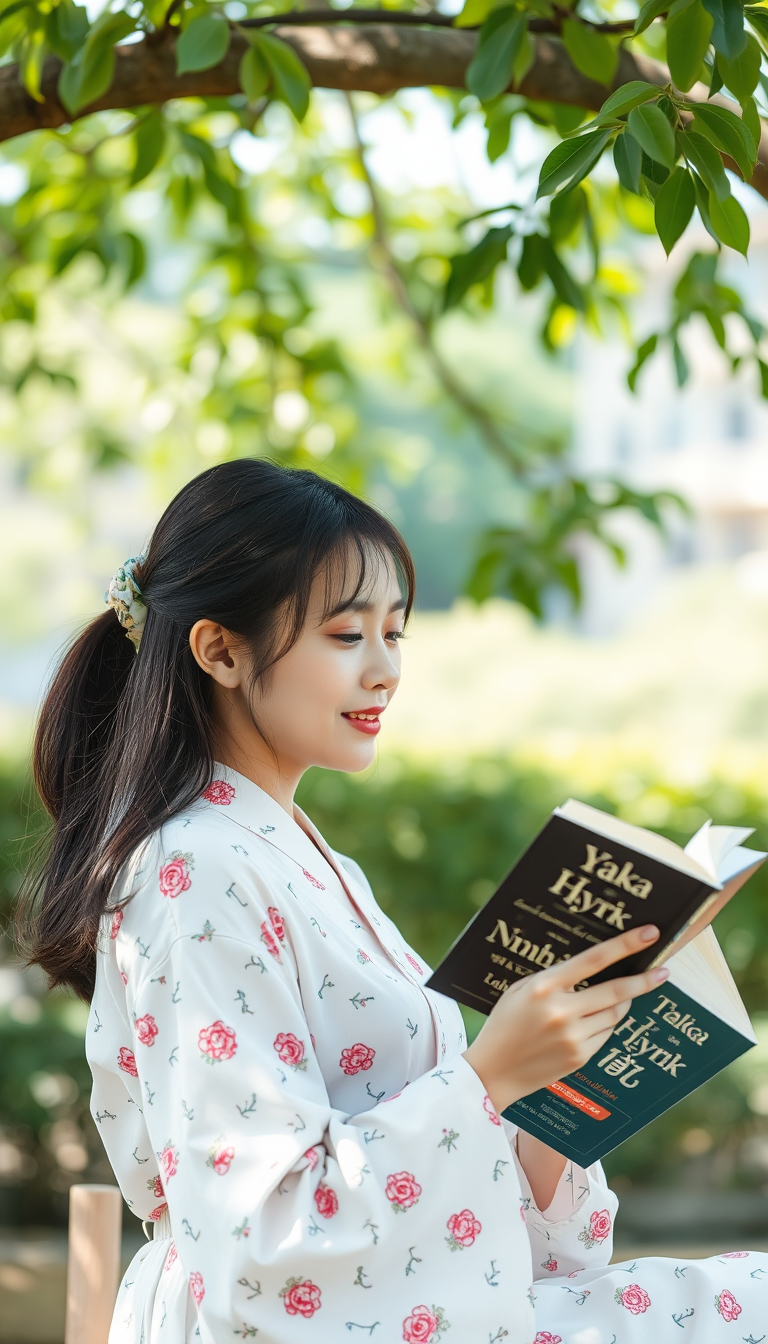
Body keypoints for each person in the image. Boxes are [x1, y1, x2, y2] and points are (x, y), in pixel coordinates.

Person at [22, 459, 766, 1343]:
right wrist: (489, 1074)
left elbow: (501, 1222)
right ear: (220, 650)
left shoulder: (300, 855)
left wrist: (553, 1093)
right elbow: (259, 1237)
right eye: (346, 637)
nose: (384, 672)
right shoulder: (191, 871)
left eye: (396, 634)